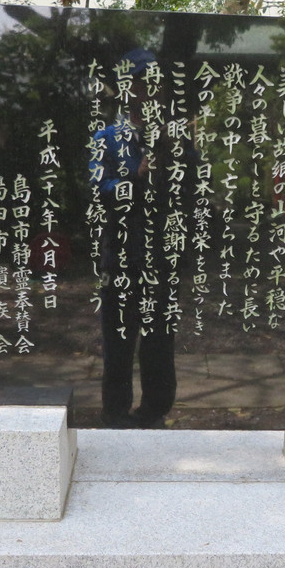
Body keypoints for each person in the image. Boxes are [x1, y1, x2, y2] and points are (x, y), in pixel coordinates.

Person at [89, 48, 177, 429]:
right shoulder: (106, 137)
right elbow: (97, 190)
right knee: (119, 339)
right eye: (143, 83)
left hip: (163, 254)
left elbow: (193, 194)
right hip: (121, 253)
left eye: (156, 84)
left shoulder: (174, 137)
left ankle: (156, 410)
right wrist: (135, 177)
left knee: (160, 340)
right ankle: (116, 412)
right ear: (128, 89)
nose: (151, 91)